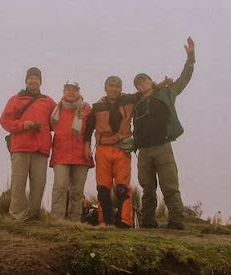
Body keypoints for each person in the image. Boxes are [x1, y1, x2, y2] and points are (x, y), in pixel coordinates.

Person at [132, 37, 195, 230]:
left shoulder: (167, 93)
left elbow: (184, 79)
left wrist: (190, 57)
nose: (142, 83)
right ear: (137, 88)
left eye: (145, 80)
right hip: (143, 151)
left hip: (163, 147)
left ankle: (176, 220)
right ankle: (148, 220)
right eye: (139, 83)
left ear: (151, 81)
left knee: (169, 185)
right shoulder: (137, 103)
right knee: (147, 188)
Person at [0, 67, 56, 221]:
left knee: (39, 185)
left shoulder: (49, 101)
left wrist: (79, 106)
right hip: (20, 148)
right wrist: (23, 125)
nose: (33, 81)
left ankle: (33, 217)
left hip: (41, 149)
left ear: (40, 81)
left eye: (36, 78)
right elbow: (4, 121)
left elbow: (57, 121)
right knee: (18, 184)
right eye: (31, 78)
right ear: (26, 80)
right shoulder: (15, 99)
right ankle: (17, 217)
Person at [84, 76, 135, 228]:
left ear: (121, 88)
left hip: (122, 149)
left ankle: (124, 221)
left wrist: (160, 84)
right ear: (105, 88)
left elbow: (147, 92)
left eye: (117, 86)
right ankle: (105, 222)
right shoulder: (97, 107)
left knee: (122, 188)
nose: (114, 88)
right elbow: (88, 129)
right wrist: (87, 146)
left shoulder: (129, 101)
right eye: (111, 85)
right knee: (103, 188)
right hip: (102, 150)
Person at [49, 80, 94, 222]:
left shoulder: (86, 109)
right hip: (61, 154)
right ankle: (57, 220)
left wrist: (88, 146)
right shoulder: (56, 109)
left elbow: (90, 129)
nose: (71, 92)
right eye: (68, 89)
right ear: (63, 91)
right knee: (60, 187)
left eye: (74, 89)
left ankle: (75, 220)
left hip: (81, 154)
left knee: (77, 190)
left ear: (78, 91)